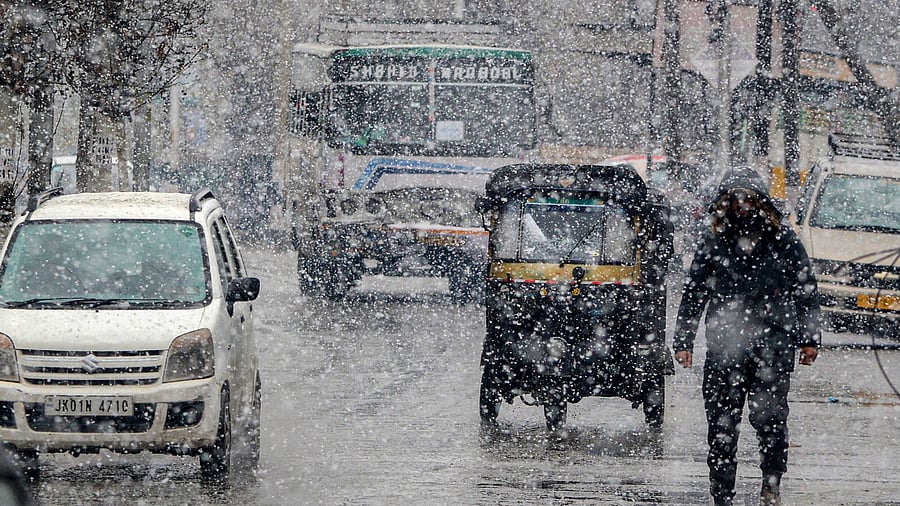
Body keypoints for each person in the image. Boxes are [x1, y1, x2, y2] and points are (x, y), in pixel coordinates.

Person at [672, 167, 820, 506]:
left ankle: (771, 484)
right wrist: (683, 341)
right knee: (722, 424)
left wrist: (809, 338)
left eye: (748, 198)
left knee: (770, 420)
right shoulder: (715, 242)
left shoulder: (782, 239)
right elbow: (694, 292)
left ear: (760, 201)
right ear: (726, 202)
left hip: (773, 345)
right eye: (735, 198)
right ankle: (722, 493)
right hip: (725, 347)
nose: (742, 205)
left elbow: (805, 289)